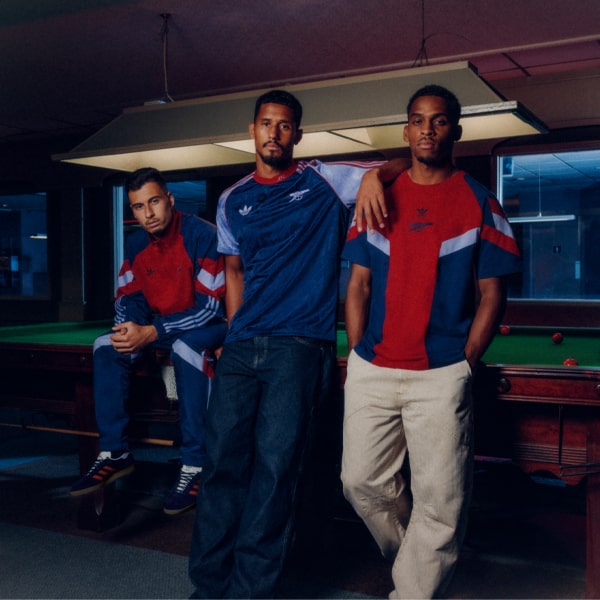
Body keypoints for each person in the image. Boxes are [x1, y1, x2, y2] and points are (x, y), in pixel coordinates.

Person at [188, 89, 407, 598]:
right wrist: (235, 333)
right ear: (253, 130)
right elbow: (234, 271)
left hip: (299, 346)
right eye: (266, 123)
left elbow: (401, 161)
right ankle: (208, 587)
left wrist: (373, 176)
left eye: (284, 125)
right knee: (220, 466)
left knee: (275, 471)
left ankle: (250, 591)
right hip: (242, 347)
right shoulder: (232, 198)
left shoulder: (325, 178)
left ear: (298, 135)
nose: (274, 133)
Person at [340, 84, 522, 598]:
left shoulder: (480, 202)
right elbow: (358, 285)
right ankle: (417, 562)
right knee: (360, 483)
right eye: (418, 120)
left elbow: (493, 294)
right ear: (406, 131)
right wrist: (358, 354)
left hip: (441, 371)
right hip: (373, 367)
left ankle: (413, 590)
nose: (427, 130)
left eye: (439, 121)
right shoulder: (376, 196)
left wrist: (465, 362)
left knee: (440, 500)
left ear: (455, 131)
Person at [70, 167, 227, 516]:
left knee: (186, 348)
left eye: (154, 202)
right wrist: (128, 329)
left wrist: (153, 332)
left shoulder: (204, 235)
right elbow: (129, 297)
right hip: (162, 328)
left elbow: (210, 308)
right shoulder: (135, 243)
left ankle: (195, 464)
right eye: (139, 207)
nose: (148, 213)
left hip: (210, 326)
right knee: (106, 344)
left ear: (170, 199)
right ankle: (115, 452)